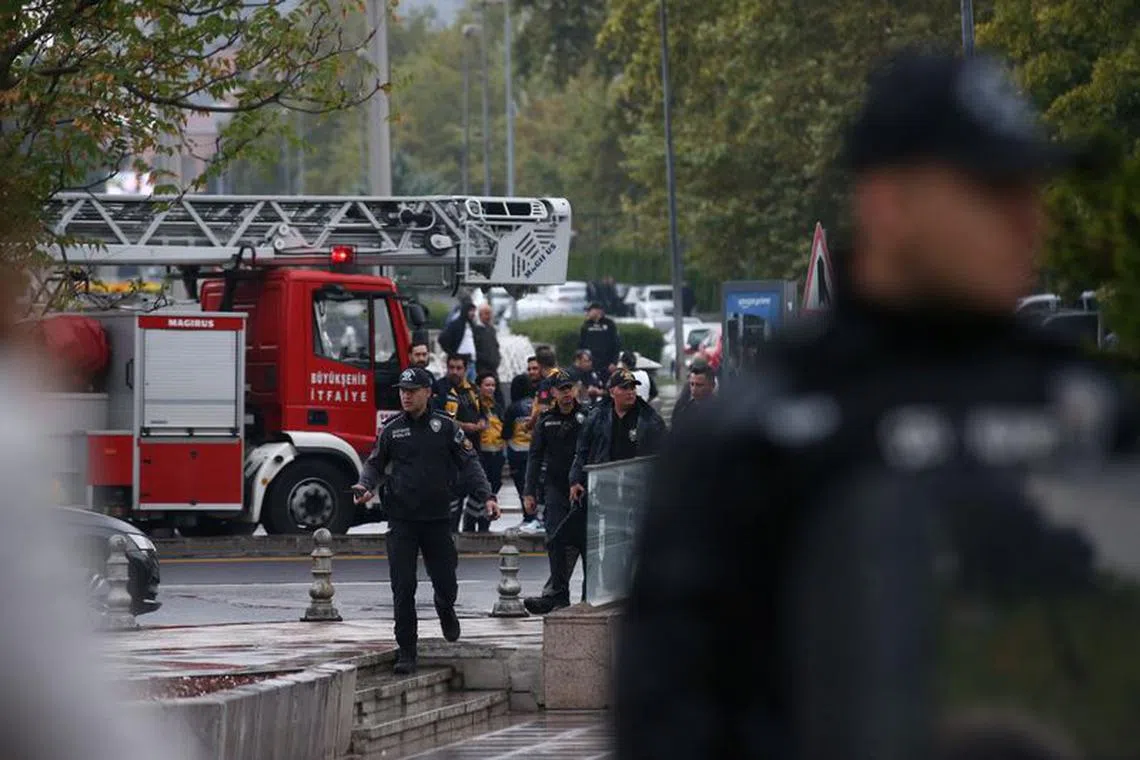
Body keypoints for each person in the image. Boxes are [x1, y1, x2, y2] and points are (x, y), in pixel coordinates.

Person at [613, 51, 1140, 759]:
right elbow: (673, 717)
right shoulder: (760, 440)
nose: (1028, 219)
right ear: (889, 203)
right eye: (990, 189)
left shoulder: (1094, 416)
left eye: (1030, 189)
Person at [354, 367, 499, 675]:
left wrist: (487, 496)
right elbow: (374, 463)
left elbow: (470, 463)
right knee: (402, 587)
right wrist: (364, 486)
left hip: (437, 519)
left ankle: (445, 607)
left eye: (412, 390)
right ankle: (407, 650)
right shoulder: (392, 430)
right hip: (403, 520)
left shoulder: (446, 427)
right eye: (402, 390)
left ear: (427, 393)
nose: (405, 396)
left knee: (446, 582)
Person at [522, 369, 588, 614]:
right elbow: (534, 458)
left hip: (583, 488)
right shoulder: (545, 420)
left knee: (586, 543)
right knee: (556, 541)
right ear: (553, 393)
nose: (567, 394)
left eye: (569, 388)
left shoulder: (588, 416)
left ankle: (589, 597)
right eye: (562, 390)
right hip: (555, 488)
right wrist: (529, 493)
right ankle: (558, 595)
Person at [569, 368, 668, 504]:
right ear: (611, 392)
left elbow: (664, 455)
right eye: (624, 388)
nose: (630, 392)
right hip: (604, 486)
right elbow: (582, 451)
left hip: (638, 489)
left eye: (633, 387)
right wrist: (575, 480)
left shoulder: (649, 420)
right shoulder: (597, 417)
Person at [435, 353, 484, 531]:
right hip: (449, 453)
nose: (455, 372)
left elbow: (483, 412)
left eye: (459, 368)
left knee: (475, 491)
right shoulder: (439, 388)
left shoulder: (472, 389)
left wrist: (481, 423)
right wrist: (464, 427)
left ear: (466, 369)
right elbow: (437, 418)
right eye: (452, 368)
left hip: (471, 451)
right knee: (451, 498)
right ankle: (450, 531)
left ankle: (470, 530)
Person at [472, 371, 505, 534]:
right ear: (479, 387)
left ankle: (484, 520)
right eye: (487, 385)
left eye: (493, 385)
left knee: (495, 484)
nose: (491, 388)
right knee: (480, 488)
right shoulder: (475, 406)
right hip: (481, 452)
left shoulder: (497, 406)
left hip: (496, 452)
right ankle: (471, 520)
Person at [502, 384, 537, 527]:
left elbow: (506, 433)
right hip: (533, 452)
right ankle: (535, 517)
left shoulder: (513, 408)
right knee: (533, 486)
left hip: (517, 453)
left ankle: (528, 517)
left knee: (522, 487)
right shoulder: (536, 406)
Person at [438, 300, 478, 382]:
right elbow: (442, 339)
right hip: (459, 363)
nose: (473, 313)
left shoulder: (472, 325)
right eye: (471, 311)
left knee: (471, 388)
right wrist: (452, 353)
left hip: (472, 362)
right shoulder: (456, 324)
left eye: (474, 311)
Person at [579, 302, 622, 378]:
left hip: (607, 363)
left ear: (598, 311)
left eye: (590, 310)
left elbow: (616, 345)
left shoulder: (609, 324)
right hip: (591, 364)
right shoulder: (586, 325)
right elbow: (581, 344)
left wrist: (614, 362)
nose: (588, 313)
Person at [670, 362, 716, 428]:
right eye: (692, 384)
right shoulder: (684, 407)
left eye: (699, 385)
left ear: (712, 385)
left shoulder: (718, 411)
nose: (694, 389)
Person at [472, 304, 501, 381]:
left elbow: (496, 346)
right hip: (482, 368)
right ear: (480, 315)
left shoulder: (492, 329)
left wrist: (497, 358)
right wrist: (483, 358)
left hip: (493, 368)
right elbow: (475, 349)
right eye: (486, 314)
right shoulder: (476, 330)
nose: (489, 316)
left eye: (490, 314)